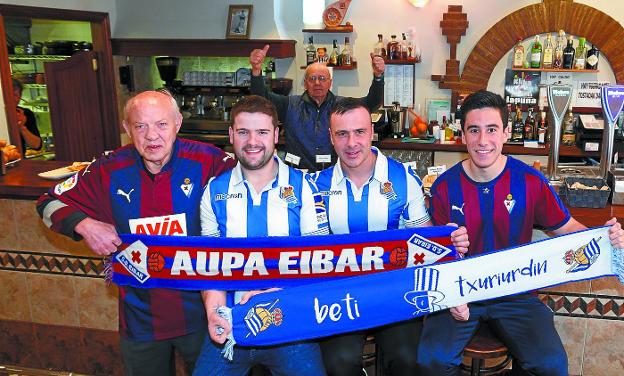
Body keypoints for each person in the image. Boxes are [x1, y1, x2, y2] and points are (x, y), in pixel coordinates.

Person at [418, 90, 624, 376]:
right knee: (432, 360)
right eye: (473, 130)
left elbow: (568, 229)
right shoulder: (444, 186)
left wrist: (603, 238)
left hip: (516, 293)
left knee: (550, 365)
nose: (482, 141)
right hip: (459, 293)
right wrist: (446, 247)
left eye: (491, 129)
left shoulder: (530, 181)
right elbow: (433, 254)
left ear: (505, 133)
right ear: (463, 136)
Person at [36, 90, 236, 375]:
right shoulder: (108, 168)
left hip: (203, 316)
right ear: (126, 128)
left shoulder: (210, 161)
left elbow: (258, 184)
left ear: (178, 123)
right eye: (140, 126)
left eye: (161, 124)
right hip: (141, 322)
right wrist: (85, 224)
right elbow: (47, 202)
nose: (151, 136)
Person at [313, 97, 469, 376]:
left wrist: (448, 242)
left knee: (407, 359)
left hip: (395, 293)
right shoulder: (315, 186)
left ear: (372, 132)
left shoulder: (403, 180)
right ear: (331, 137)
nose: (351, 143)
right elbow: (310, 253)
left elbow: (424, 240)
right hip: (342, 296)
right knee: (338, 364)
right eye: (342, 134)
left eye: (359, 132)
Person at [194, 95, 329, 375]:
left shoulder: (305, 188)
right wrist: (213, 312)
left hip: (291, 323)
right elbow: (210, 269)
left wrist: (275, 296)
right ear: (231, 134)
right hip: (231, 322)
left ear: (276, 135)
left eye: (262, 132)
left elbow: (320, 264)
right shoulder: (213, 192)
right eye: (243, 132)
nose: (252, 141)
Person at [249, 45, 386, 171]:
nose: (317, 82)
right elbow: (261, 99)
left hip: (333, 175)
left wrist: (378, 77)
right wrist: (256, 71)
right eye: (312, 78)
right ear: (305, 83)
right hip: (297, 174)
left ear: (330, 83)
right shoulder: (290, 104)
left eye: (322, 78)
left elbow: (371, 103)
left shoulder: (341, 105)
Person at [12, 78, 42, 154]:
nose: (13, 98)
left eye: (16, 95)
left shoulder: (26, 113)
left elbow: (37, 145)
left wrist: (22, 127)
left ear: (20, 96)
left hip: (20, 159)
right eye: (9, 94)